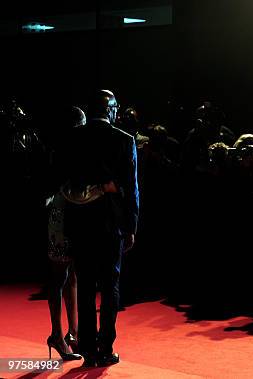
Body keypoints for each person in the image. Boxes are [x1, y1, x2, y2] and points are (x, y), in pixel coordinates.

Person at [62, 90, 139, 367]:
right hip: (111, 224)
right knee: (110, 287)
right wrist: (131, 225)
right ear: (111, 109)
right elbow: (131, 189)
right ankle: (105, 347)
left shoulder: (73, 138)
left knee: (84, 286)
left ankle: (88, 350)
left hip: (80, 222)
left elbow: (66, 180)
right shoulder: (124, 140)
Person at [45, 106, 87, 362]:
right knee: (60, 275)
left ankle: (73, 332)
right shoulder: (63, 152)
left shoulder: (62, 150)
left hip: (67, 213)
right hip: (62, 215)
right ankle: (57, 334)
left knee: (71, 275)